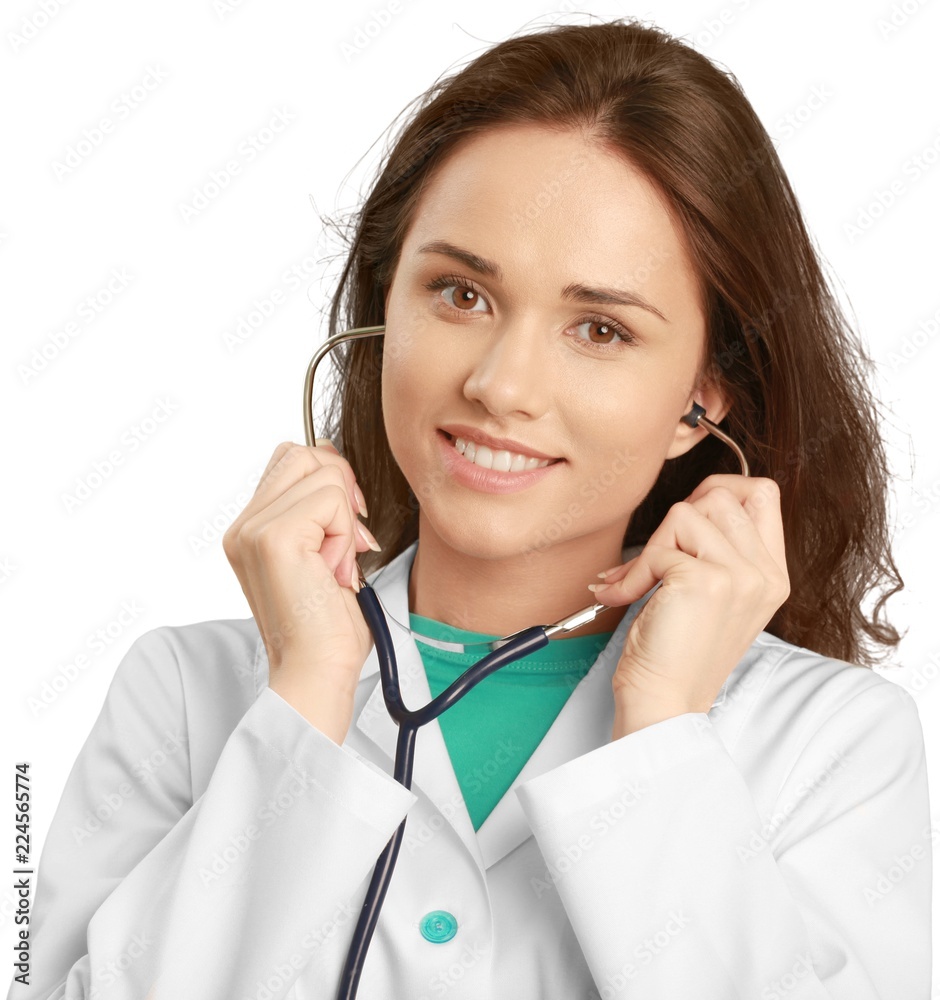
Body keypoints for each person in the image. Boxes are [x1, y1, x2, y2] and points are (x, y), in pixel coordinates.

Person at [11, 17, 930, 1000]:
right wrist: (309, 698)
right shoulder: (186, 694)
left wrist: (660, 731)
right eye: (460, 294)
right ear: (383, 303)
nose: (500, 382)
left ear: (701, 399)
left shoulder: (834, 744)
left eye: (599, 328)